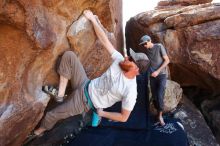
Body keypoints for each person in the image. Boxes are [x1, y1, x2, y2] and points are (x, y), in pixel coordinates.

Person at [32, 10, 140, 137]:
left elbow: (124, 117)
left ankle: (38, 132)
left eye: (131, 60)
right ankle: (60, 95)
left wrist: (103, 114)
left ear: (137, 70)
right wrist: (93, 20)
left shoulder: (131, 90)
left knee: (51, 115)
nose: (127, 58)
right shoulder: (120, 60)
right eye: (129, 56)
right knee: (69, 56)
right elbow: (105, 41)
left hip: (85, 101)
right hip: (85, 83)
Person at [139, 35, 170, 126]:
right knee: (155, 97)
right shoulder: (147, 51)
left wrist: (157, 71)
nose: (144, 45)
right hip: (152, 77)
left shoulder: (159, 46)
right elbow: (148, 64)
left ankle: (160, 116)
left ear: (149, 40)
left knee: (160, 95)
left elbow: (167, 60)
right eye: (143, 44)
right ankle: (157, 113)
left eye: (145, 43)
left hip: (162, 75)